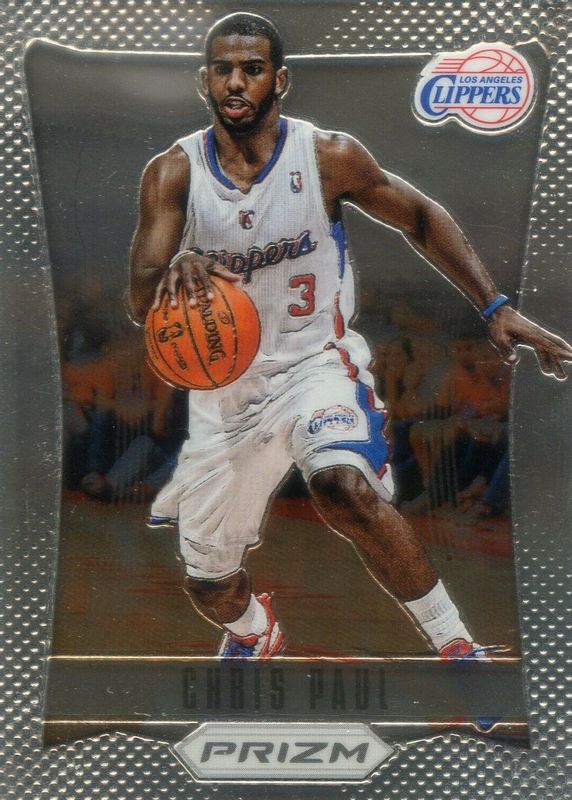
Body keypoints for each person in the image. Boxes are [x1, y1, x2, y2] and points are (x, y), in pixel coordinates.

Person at [129, 12, 572, 661]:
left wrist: (495, 305)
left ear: (280, 80)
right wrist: (172, 268)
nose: (236, 82)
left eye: (252, 69)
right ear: (204, 82)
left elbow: (420, 215)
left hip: (316, 366)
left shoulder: (327, 155)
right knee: (211, 585)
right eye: (222, 69)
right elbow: (141, 299)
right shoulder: (173, 173)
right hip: (226, 396)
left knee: (345, 486)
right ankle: (254, 629)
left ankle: (457, 648)